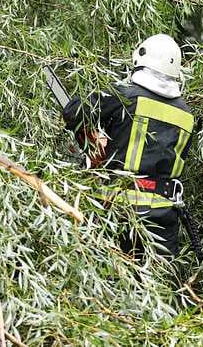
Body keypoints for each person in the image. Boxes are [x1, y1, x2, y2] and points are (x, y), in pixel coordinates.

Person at [62, 34, 194, 257]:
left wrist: (93, 139)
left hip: (119, 212)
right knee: (159, 286)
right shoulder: (186, 115)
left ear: (140, 59)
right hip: (163, 217)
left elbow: (74, 111)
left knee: (111, 279)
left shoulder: (124, 95)